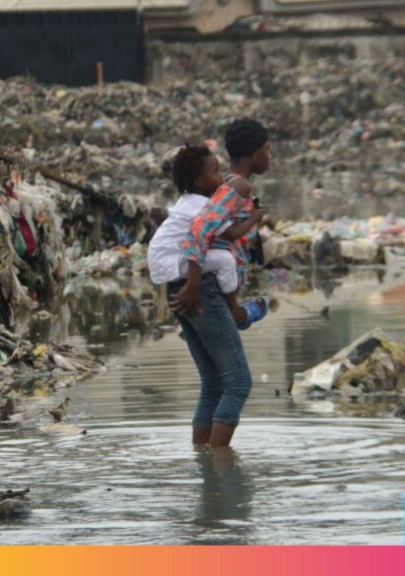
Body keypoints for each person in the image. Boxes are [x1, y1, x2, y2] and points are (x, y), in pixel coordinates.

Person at [169, 118, 272, 448]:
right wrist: (195, 285)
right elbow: (201, 228)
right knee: (238, 384)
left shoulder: (225, 186)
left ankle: (204, 465)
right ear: (253, 153)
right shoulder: (237, 186)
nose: (269, 156)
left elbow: (223, 234)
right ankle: (219, 469)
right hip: (203, 287)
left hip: (197, 285)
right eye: (267, 150)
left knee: (214, 384)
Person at [148, 143, 267, 328]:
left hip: (162, 259)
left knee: (218, 256)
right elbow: (231, 234)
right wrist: (255, 217)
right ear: (199, 181)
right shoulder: (204, 206)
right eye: (216, 172)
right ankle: (235, 310)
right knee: (226, 260)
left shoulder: (187, 199)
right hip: (171, 261)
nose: (222, 179)